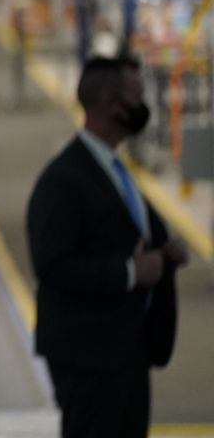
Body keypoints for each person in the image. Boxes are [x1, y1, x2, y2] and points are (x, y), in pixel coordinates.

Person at [26, 55, 189, 438]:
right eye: (136, 96)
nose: (144, 105)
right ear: (109, 104)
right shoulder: (63, 181)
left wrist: (165, 256)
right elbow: (51, 265)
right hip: (89, 356)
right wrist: (130, 272)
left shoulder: (114, 170)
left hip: (127, 349)